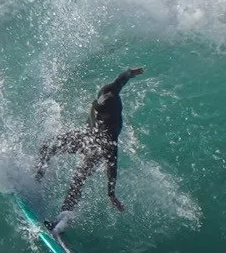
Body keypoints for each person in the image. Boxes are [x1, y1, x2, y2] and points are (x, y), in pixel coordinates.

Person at [34, 67, 146, 230]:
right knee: (47, 147)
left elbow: (112, 163)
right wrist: (129, 73)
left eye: (102, 117)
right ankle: (36, 179)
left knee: (78, 179)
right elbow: (120, 80)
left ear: (109, 116)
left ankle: (63, 219)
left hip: (99, 148)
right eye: (97, 112)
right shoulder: (107, 91)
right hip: (86, 135)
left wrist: (111, 193)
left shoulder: (110, 135)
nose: (99, 119)